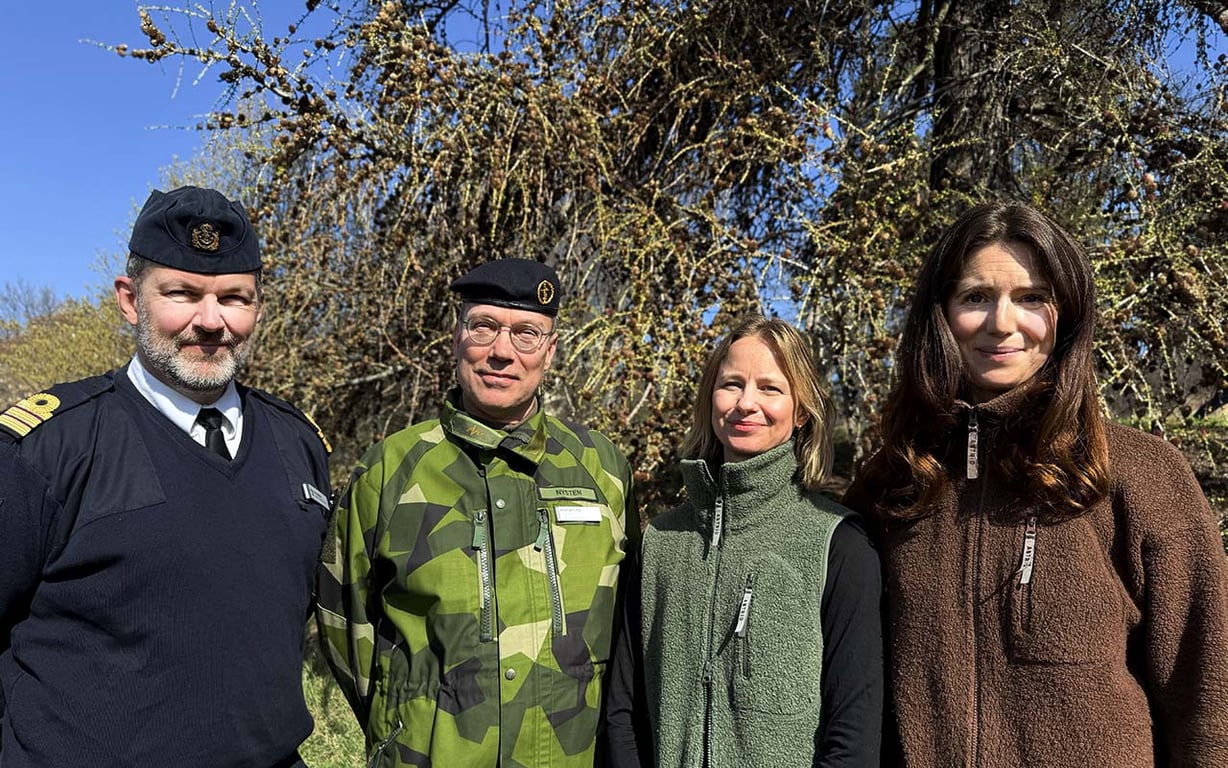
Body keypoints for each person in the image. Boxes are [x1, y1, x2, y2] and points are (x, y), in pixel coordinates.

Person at [843, 201, 1228, 767]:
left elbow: (1207, 692)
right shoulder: (890, 487)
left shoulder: (1140, 474)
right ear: (940, 314)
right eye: (975, 297)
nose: (1003, 323)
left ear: (1065, 315)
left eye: (1032, 298)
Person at [0, 186, 333, 766]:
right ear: (130, 300)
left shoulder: (297, 445)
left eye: (235, 298)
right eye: (181, 293)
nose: (211, 322)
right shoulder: (50, 448)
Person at [316, 258, 635, 767]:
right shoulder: (391, 470)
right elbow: (344, 620)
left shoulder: (602, 470)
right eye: (484, 326)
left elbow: (624, 630)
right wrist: (397, 726)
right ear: (456, 336)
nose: (501, 352)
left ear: (550, 352)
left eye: (526, 334)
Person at [605, 316, 884, 767]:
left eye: (770, 388)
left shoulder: (839, 543)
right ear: (710, 399)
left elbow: (853, 733)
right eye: (732, 384)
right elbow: (624, 708)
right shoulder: (660, 542)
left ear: (801, 411)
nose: (745, 403)